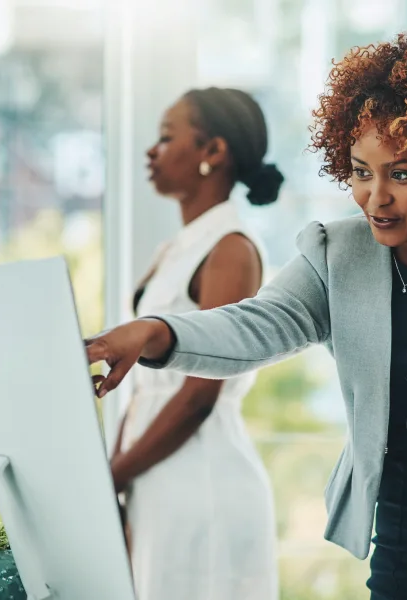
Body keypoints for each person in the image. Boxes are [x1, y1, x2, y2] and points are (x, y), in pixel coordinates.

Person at [88, 30, 407, 599]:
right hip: (401, 549)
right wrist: (157, 331)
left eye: (400, 173)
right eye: (359, 171)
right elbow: (253, 325)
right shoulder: (339, 255)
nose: (374, 198)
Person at [108, 87, 284, 600]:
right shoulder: (177, 248)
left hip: (200, 480)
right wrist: (117, 476)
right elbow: (147, 389)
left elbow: (198, 395)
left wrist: (112, 477)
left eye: (166, 137)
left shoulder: (230, 248)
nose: (151, 151)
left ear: (213, 151)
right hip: (158, 474)